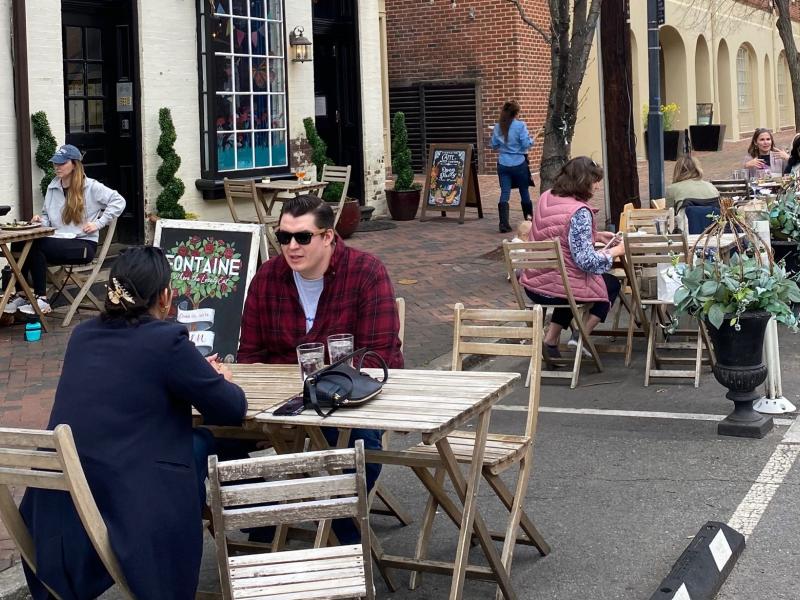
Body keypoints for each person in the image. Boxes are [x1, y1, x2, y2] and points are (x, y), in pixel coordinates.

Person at [19, 246, 247, 600]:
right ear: (165, 296)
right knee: (206, 443)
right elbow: (232, 410)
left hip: (59, 513)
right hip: (129, 510)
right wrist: (222, 378)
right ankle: (253, 531)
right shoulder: (167, 341)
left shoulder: (82, 335)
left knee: (197, 441)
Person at [238, 194, 403, 541]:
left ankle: (341, 545)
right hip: (278, 407)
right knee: (208, 442)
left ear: (327, 236)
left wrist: (331, 380)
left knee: (362, 452)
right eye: (284, 237)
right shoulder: (267, 277)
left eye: (302, 237)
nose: (291, 247)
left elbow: (380, 357)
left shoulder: (366, 271)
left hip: (344, 403)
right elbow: (249, 356)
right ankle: (265, 521)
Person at [519, 157, 625, 358]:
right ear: (584, 181)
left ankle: (550, 341)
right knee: (608, 285)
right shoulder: (579, 212)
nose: (596, 187)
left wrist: (595, 235)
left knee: (570, 283)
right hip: (558, 289)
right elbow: (587, 261)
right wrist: (616, 251)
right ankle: (581, 336)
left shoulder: (546, 197)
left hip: (533, 284)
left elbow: (556, 232)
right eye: (595, 181)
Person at [5, 144, 126, 317]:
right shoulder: (52, 187)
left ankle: (42, 299)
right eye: (55, 163)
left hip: (83, 245)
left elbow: (119, 201)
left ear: (74, 164)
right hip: (58, 240)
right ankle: (22, 295)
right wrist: (41, 220)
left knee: (36, 245)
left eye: (62, 163)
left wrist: (99, 223)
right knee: (19, 243)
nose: (57, 167)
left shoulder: (91, 187)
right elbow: (49, 217)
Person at [491, 100, 534, 233]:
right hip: (519, 163)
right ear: (516, 113)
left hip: (503, 163)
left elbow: (493, 146)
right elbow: (526, 144)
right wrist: (533, 140)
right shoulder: (520, 125)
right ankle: (529, 220)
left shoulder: (498, 126)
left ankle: (503, 224)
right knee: (524, 192)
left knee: (505, 193)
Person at [665, 155, 719, 230]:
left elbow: (669, 216)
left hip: (686, 231)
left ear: (677, 171)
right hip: (713, 231)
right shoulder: (712, 187)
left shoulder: (672, 189)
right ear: (698, 169)